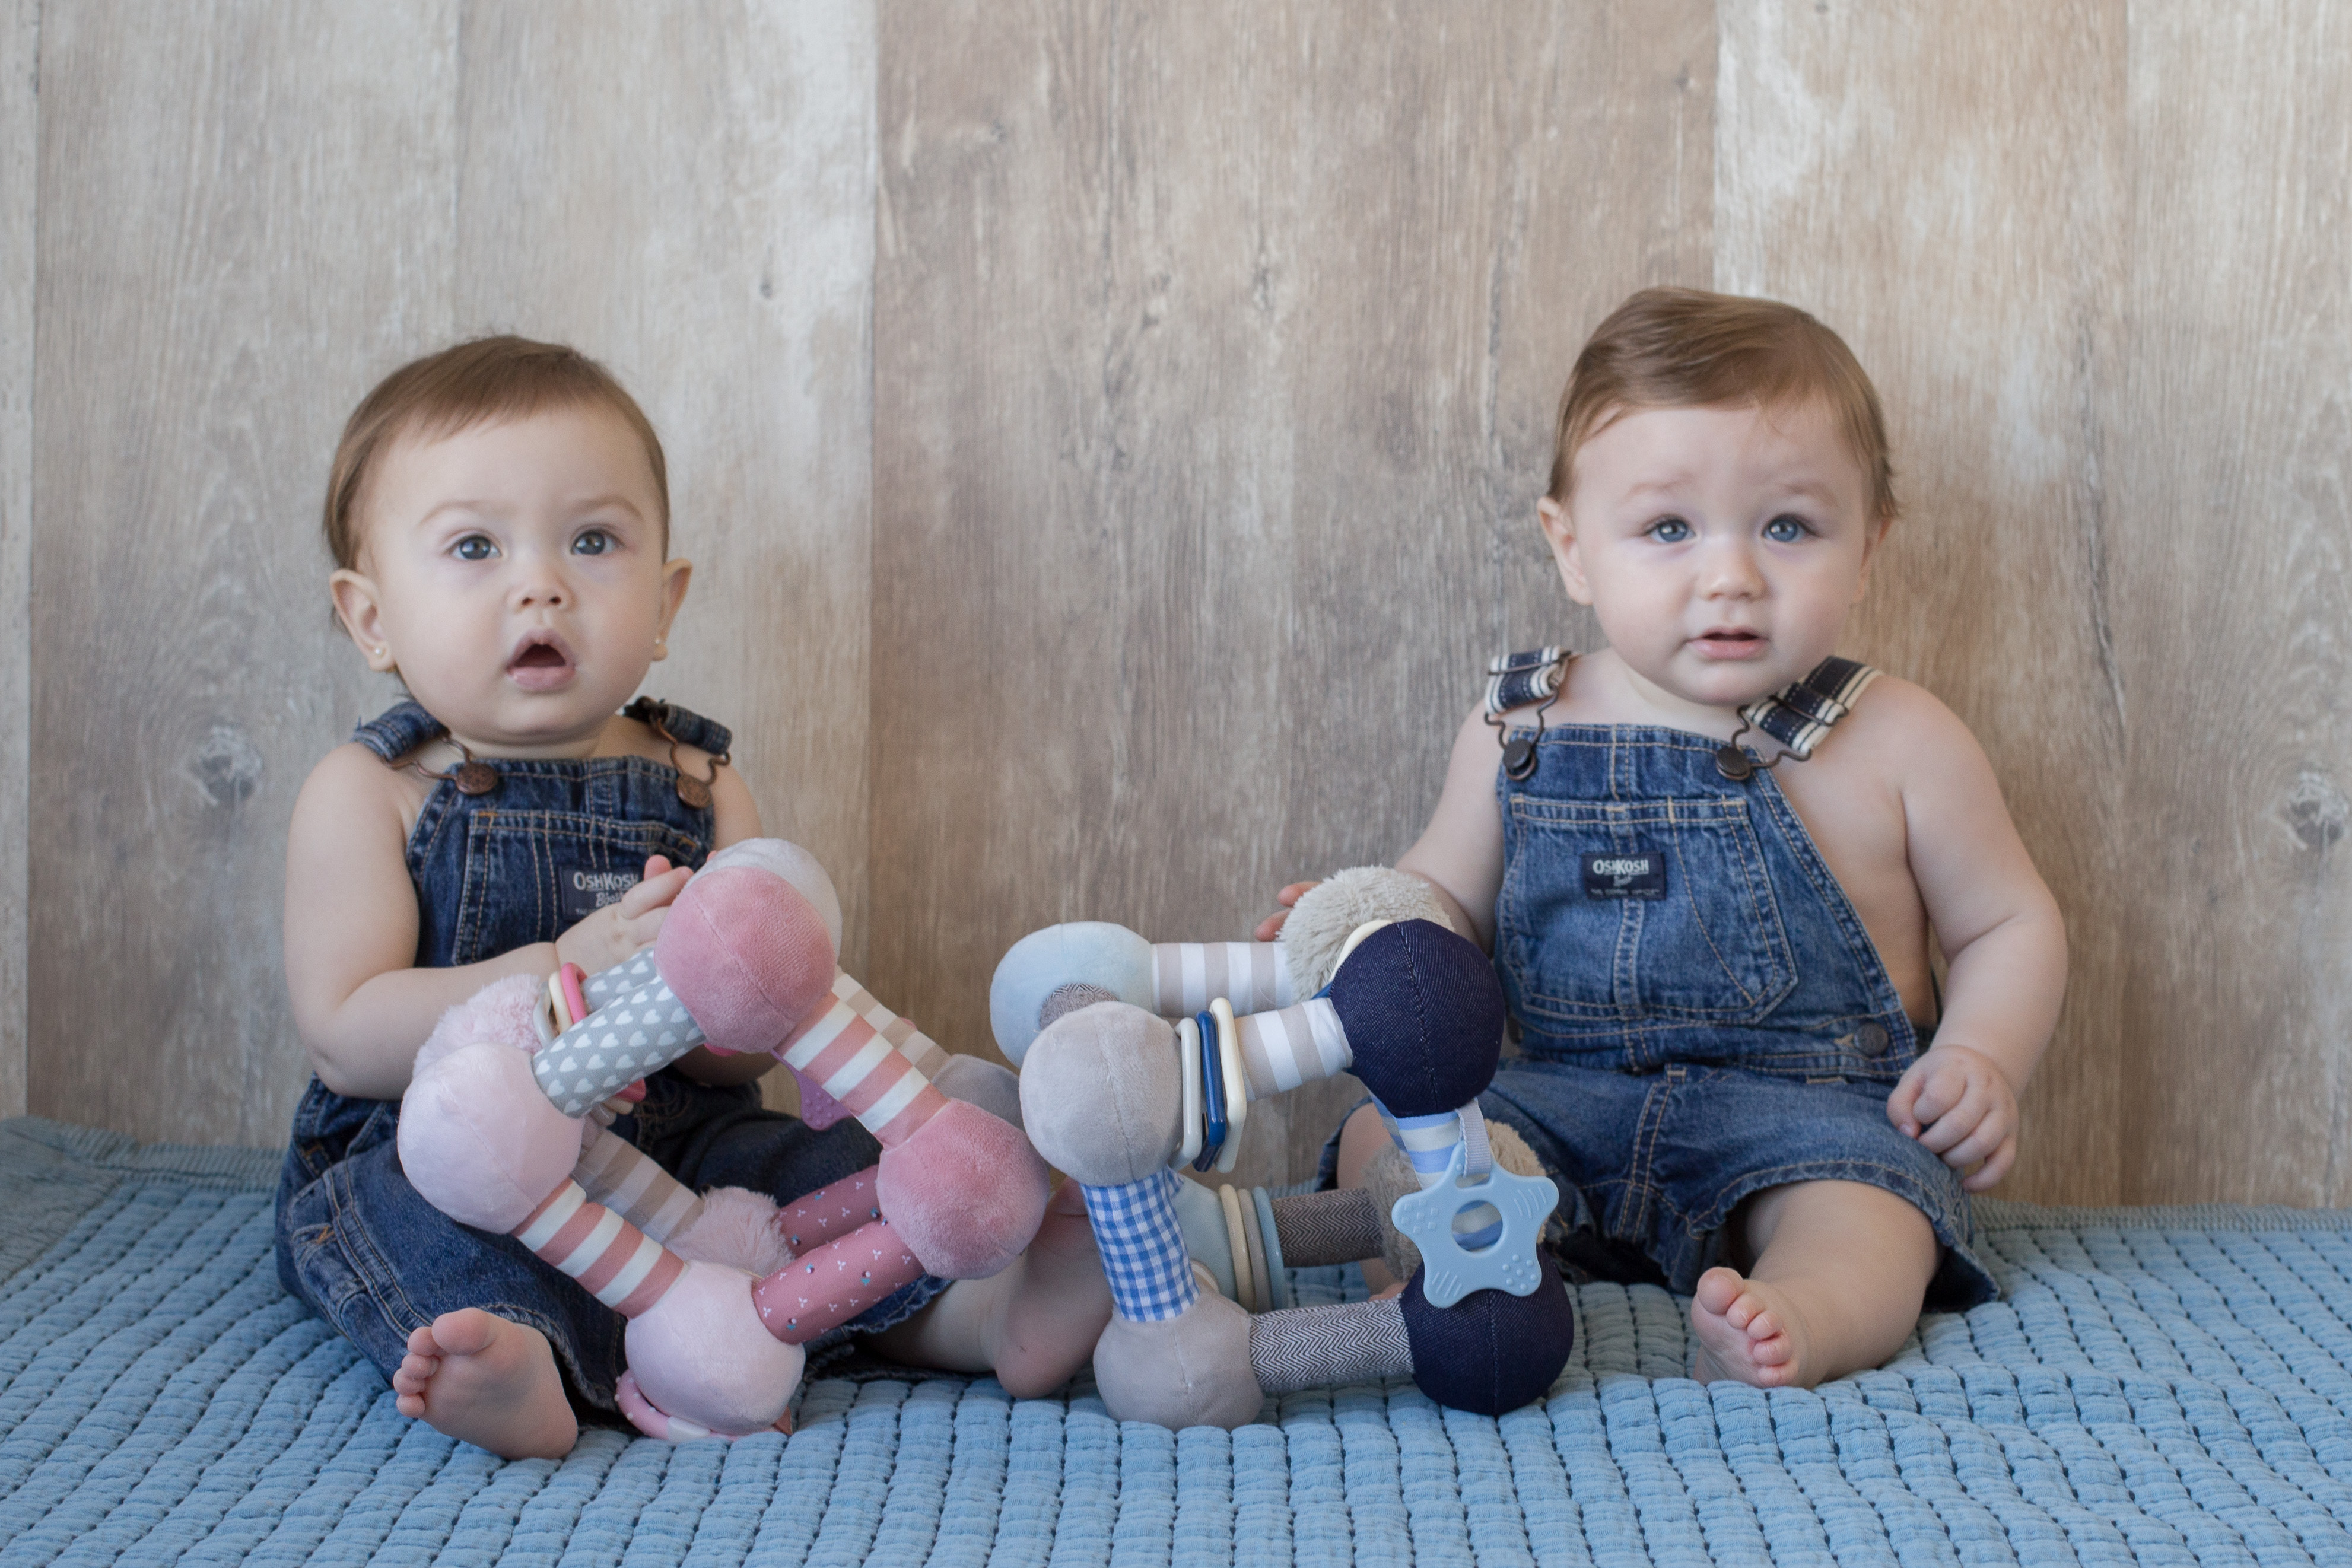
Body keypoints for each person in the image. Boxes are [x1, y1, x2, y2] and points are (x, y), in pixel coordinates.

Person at [274, 336, 1108, 1458]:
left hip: (680, 1140)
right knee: (416, 1220)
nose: (543, 582)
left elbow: (740, 1056)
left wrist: (717, 1001)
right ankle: (521, 1360)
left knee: (824, 1183)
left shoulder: (700, 783)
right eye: (475, 546)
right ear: (370, 617)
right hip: (440, 1140)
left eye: (593, 540)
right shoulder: (370, 792)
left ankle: (979, 1315)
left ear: (665, 602)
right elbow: (347, 1035)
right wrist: (563, 972)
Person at [1261, 288, 2065, 1390]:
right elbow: (1443, 899)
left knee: (1872, 1210)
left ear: (1869, 543)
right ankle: (1464, 1282)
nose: (1729, 575)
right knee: (1391, 1139)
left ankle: (1801, 1314)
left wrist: (1981, 1056)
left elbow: (2009, 921)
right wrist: (1367, 927)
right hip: (1552, 1101)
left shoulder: (1900, 741)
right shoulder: (1522, 728)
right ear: (1574, 547)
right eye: (1669, 529)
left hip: (1804, 1119)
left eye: (1788, 526)